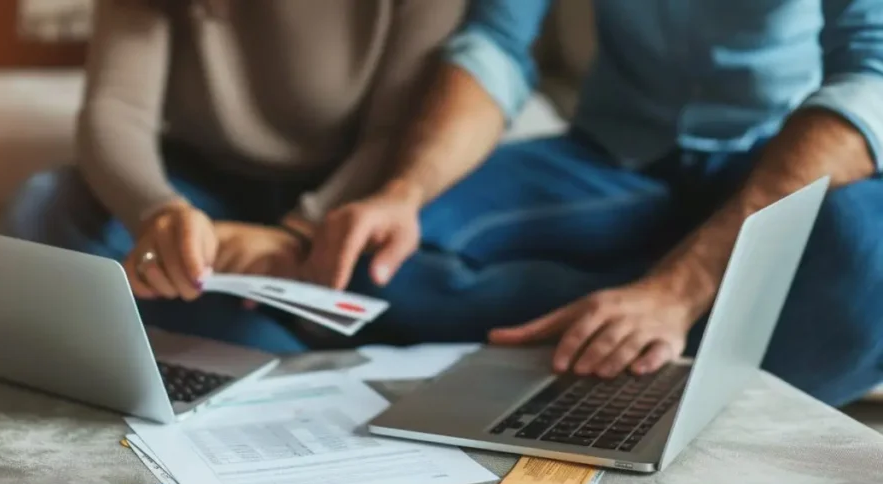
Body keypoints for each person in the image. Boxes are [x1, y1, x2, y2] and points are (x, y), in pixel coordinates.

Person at [305, 0, 883, 408]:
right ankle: (657, 336)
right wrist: (404, 190)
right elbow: (495, 44)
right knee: (373, 262)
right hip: (610, 158)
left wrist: (680, 286)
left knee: (865, 257)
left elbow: (870, 76)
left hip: (771, 164)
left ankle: (640, 324)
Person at [6, 0, 467, 353]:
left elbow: (394, 133)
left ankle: (227, 339)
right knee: (45, 204)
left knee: (419, 276)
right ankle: (284, 351)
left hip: (348, 201)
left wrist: (300, 232)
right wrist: (160, 212)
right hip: (200, 194)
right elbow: (117, 109)